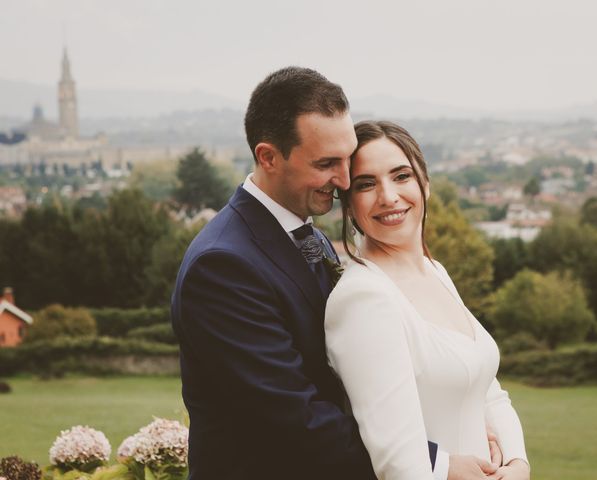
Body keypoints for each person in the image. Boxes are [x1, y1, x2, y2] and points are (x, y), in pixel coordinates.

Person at [172, 67, 500, 480]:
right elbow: (296, 418)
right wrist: (436, 462)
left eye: (347, 160)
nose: (344, 180)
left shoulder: (308, 235)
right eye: (327, 163)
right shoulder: (222, 265)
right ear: (268, 157)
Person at [325, 120, 530, 480]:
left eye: (401, 176)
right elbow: (398, 460)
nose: (388, 196)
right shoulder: (364, 298)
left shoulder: (436, 272)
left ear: (426, 184)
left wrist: (517, 464)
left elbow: (489, 391)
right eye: (366, 184)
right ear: (348, 204)